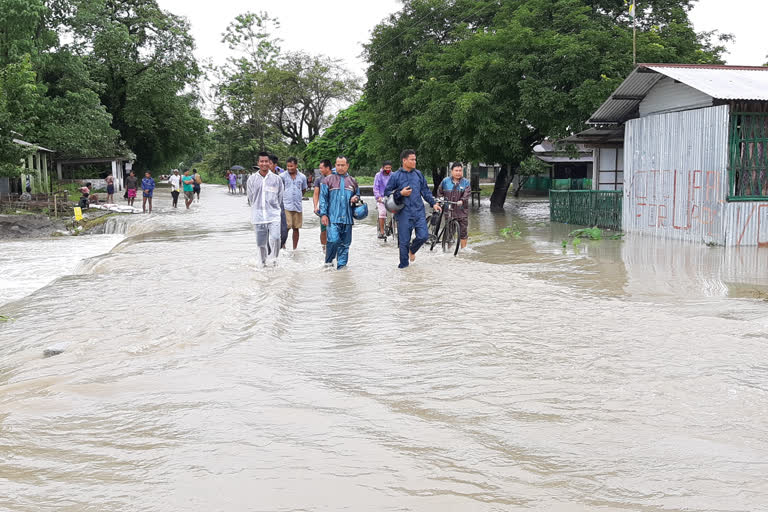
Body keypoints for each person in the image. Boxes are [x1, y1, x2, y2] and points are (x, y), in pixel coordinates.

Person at [384, 149, 441, 269]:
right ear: (404, 161)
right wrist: (401, 193)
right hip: (403, 213)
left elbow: (425, 191)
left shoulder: (418, 174)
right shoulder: (396, 176)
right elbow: (387, 192)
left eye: (415, 159)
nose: (415, 161)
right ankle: (404, 270)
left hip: (419, 211)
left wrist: (433, 203)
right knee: (403, 242)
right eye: (412, 159)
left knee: (423, 236)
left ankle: (412, 250)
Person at [318, 156, 361, 270]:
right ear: (335, 165)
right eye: (338, 165)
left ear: (347, 166)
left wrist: (355, 198)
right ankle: (328, 262)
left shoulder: (353, 181)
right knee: (333, 240)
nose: (340, 167)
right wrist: (323, 214)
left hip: (347, 218)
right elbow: (323, 199)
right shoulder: (327, 180)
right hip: (332, 218)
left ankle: (341, 269)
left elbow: (358, 195)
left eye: (343, 165)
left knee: (345, 245)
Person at [248, 151, 285, 266]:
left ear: (270, 163)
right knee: (261, 243)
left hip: (273, 214)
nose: (264, 164)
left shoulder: (276, 179)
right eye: (261, 161)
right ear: (258, 163)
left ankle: (274, 260)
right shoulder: (252, 179)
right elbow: (250, 198)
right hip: (258, 216)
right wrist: (256, 208)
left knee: (275, 238)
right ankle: (262, 262)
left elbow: (280, 197)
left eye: (266, 161)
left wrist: (274, 208)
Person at [438, 163, 472, 249]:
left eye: (460, 170)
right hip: (449, 211)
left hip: (462, 211)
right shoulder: (445, 181)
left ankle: (463, 250)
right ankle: (449, 250)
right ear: (451, 171)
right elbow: (439, 192)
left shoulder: (466, 182)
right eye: (456, 170)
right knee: (449, 232)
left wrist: (462, 200)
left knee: (463, 232)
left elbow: (467, 194)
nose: (458, 173)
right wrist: (440, 200)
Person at [280, 156, 308, 250]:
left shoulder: (302, 177)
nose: (289, 168)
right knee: (286, 227)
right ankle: (282, 246)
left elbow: (303, 189)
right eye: (288, 166)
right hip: (286, 205)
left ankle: (294, 248)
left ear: (296, 165)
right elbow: (280, 190)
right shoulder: (282, 176)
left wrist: (298, 196)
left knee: (296, 228)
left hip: (297, 206)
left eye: (291, 166)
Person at [268, 155, 289, 248]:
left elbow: (283, 193)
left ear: (275, 165)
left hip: (279, 207)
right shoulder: (260, 178)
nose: (267, 165)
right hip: (266, 209)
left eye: (270, 163)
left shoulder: (280, 178)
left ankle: (280, 249)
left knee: (283, 232)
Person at [313, 159, 333, 252]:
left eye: (321, 168)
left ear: (327, 168)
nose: (320, 169)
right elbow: (316, 193)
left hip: (334, 208)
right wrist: (315, 206)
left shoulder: (335, 178)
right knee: (323, 229)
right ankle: (324, 248)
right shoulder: (319, 179)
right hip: (323, 208)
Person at [373, 160, 394, 238]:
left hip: (391, 197)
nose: (388, 169)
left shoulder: (393, 175)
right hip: (381, 197)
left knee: (397, 212)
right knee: (382, 213)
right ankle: (382, 232)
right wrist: (378, 197)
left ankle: (391, 225)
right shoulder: (378, 175)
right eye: (386, 168)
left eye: (389, 168)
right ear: (383, 168)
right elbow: (376, 187)